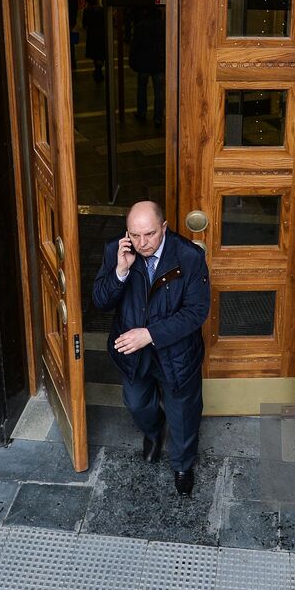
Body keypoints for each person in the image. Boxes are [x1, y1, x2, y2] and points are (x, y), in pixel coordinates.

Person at [91, 201, 209, 495]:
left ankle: (182, 464)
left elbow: (196, 312)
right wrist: (120, 271)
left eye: (150, 235)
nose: (142, 243)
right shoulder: (116, 252)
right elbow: (100, 302)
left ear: (164, 228)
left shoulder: (189, 257)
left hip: (177, 354)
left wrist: (150, 333)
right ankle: (154, 433)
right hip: (134, 354)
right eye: (135, 235)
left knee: (183, 411)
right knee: (136, 403)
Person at [128, 3, 165, 127]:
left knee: (142, 88)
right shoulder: (163, 26)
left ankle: (142, 112)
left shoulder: (141, 26)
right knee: (159, 91)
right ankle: (158, 117)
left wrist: (132, 60)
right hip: (159, 62)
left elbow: (135, 45)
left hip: (144, 62)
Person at [81, 0, 107, 83]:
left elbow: (84, 24)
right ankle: (99, 69)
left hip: (92, 33)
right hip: (101, 33)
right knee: (100, 53)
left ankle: (97, 69)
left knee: (95, 53)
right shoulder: (102, 9)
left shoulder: (87, 10)